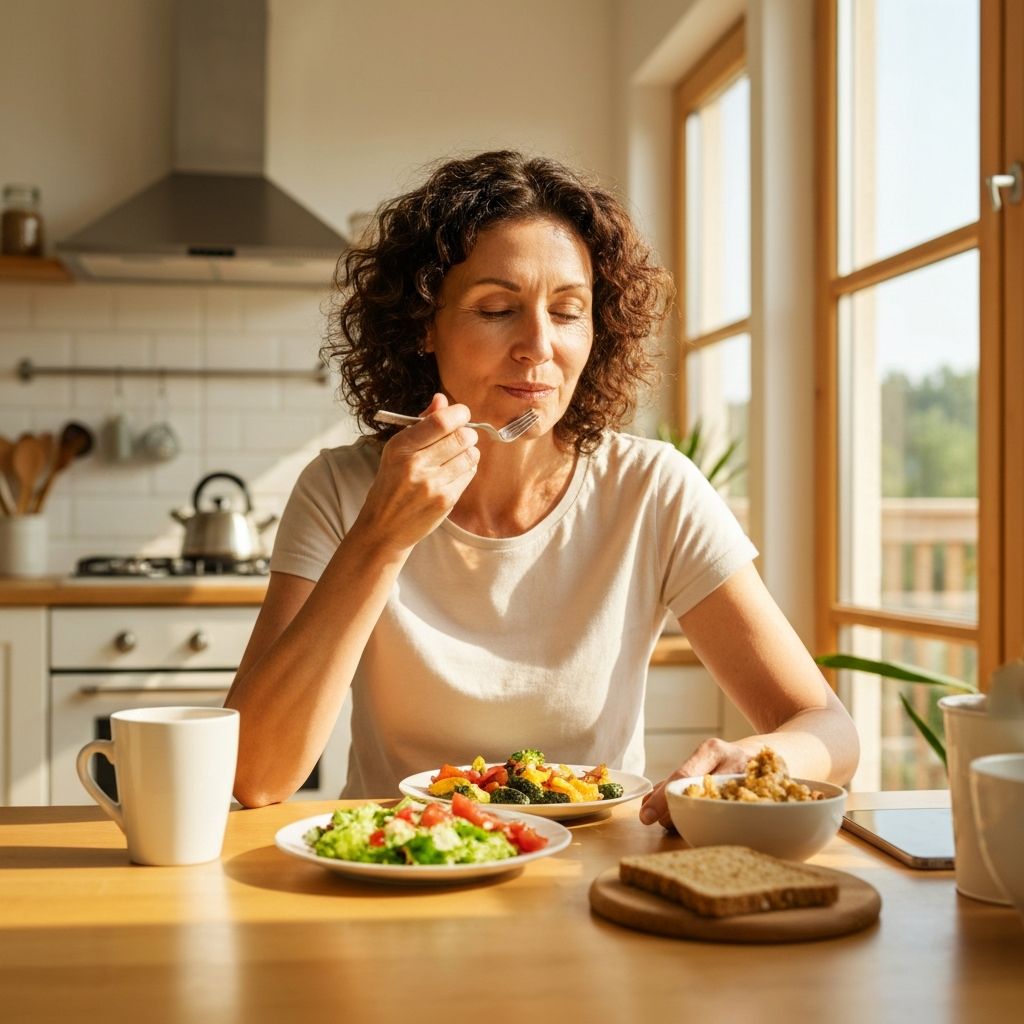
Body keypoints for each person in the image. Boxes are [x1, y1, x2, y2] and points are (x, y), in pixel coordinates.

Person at [225, 149, 858, 825]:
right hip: (402, 874)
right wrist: (380, 538)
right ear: (423, 328)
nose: (538, 345)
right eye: (497, 307)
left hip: (595, 878)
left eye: (566, 310)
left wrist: (768, 760)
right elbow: (255, 775)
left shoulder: (652, 489)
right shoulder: (342, 489)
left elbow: (827, 726)